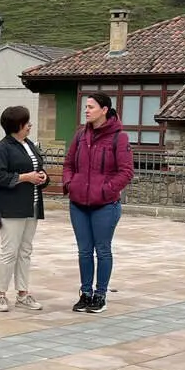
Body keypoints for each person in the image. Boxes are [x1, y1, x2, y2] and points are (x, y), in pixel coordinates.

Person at [62, 92, 135, 314]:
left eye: (91, 107)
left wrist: (106, 190)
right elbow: (68, 163)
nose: (86, 110)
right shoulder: (80, 136)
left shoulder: (119, 138)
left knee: (102, 250)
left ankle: (100, 294)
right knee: (84, 251)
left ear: (104, 110)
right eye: (86, 107)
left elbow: (126, 172)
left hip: (105, 206)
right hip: (78, 204)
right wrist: (70, 184)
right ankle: (85, 293)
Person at [0, 106, 50, 312]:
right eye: (26, 123)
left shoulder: (29, 144)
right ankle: (0, 294)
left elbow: (38, 168)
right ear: (16, 125)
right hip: (11, 207)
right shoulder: (3, 148)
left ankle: (23, 293)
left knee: (25, 251)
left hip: (31, 205)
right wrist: (25, 177)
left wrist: (42, 178)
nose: (29, 125)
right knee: (9, 251)